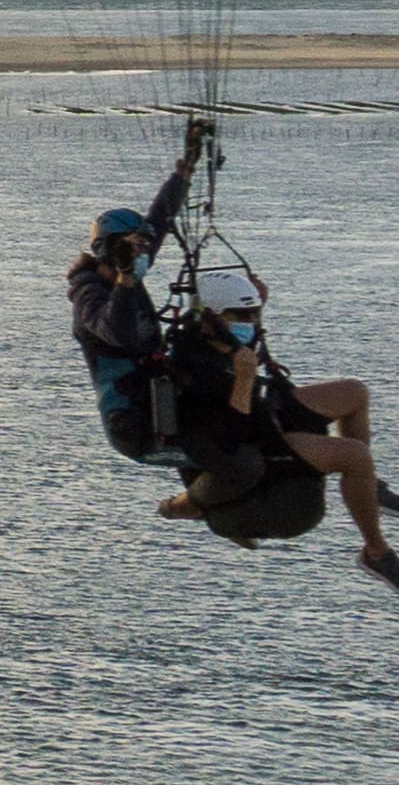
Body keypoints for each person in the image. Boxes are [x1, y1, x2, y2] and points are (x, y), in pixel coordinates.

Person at [158, 262, 399, 590]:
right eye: (242, 316)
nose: (252, 323)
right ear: (210, 319)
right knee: (354, 456)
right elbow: (231, 442)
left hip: (265, 411)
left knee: (354, 392)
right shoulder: (192, 369)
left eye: (255, 314)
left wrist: (255, 304)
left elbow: (245, 341)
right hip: (256, 442)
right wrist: (244, 380)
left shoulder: (222, 340)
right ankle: (376, 552)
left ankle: (368, 488)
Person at [68, 131, 202, 463]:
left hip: (159, 399)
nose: (143, 253)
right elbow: (117, 332)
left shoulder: (128, 269)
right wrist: (126, 279)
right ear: (110, 250)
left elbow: (161, 217)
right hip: (131, 423)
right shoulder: (89, 295)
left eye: (144, 246)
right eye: (134, 247)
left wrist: (184, 172)